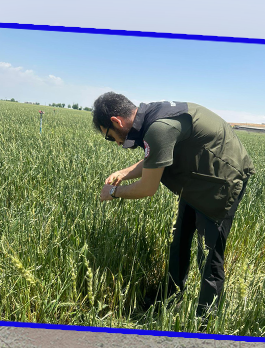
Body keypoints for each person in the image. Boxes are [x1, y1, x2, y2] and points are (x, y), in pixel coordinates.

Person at [92, 92, 254, 318]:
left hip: (221, 181)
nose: (118, 143)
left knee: (209, 255)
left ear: (116, 122)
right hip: (197, 177)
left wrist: (113, 192)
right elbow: (157, 154)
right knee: (179, 239)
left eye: (110, 137)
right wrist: (124, 172)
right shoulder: (152, 118)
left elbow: (147, 188)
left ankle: (206, 321)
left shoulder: (159, 127)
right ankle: (170, 296)